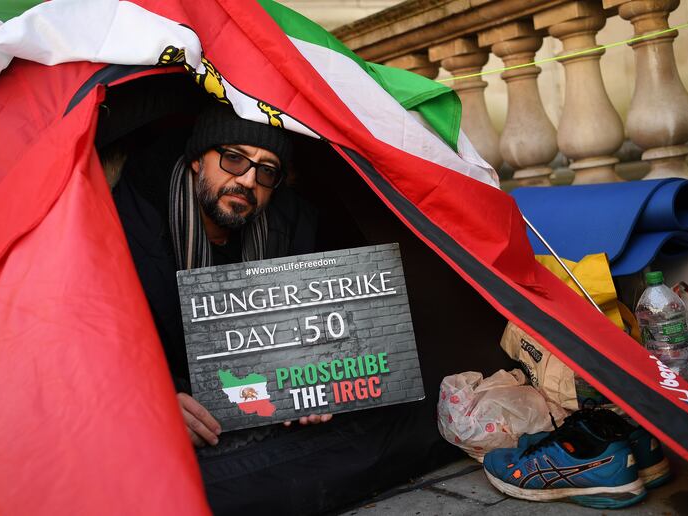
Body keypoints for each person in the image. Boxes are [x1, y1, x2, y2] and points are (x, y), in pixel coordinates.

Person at [112, 101, 455, 515]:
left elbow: (325, 331)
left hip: (255, 406)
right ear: (196, 162)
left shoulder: (292, 224)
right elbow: (87, 343)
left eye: (266, 171)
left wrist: (322, 382)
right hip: (169, 405)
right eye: (234, 158)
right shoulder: (125, 225)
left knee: (422, 407)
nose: (247, 180)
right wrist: (154, 398)